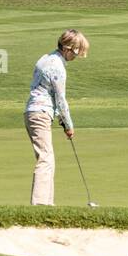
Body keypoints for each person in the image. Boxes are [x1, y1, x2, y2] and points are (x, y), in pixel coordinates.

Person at [23, 29, 89, 205]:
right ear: (68, 48)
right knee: (46, 158)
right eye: (76, 52)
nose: (75, 57)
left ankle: (47, 203)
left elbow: (47, 91)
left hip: (32, 112)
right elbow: (61, 99)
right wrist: (69, 125)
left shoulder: (45, 58)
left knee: (48, 158)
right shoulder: (58, 66)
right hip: (40, 113)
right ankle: (40, 204)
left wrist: (58, 116)